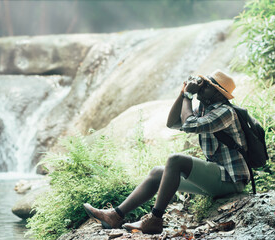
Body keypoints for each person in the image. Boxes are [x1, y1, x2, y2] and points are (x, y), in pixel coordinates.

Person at [83, 70, 250, 234]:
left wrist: (189, 97)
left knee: (175, 160)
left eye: (206, 85)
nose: (201, 86)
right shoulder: (206, 109)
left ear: (218, 94)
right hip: (217, 178)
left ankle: (155, 220)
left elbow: (190, 125)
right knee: (157, 173)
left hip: (230, 180)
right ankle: (115, 216)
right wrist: (182, 93)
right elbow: (173, 123)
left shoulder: (225, 112)